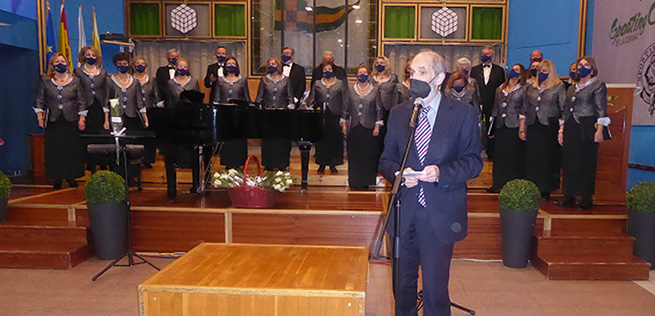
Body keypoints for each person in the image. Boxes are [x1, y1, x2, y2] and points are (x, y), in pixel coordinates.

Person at [378, 50, 482, 316]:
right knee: (402, 287)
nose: (414, 79)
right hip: (404, 212)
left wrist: (440, 172)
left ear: (439, 77)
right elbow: (386, 161)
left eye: (422, 73)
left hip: (440, 212)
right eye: (412, 73)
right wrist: (399, 176)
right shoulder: (400, 113)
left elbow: (473, 162)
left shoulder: (463, 114)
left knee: (436, 291)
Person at [557, 56, 609, 210]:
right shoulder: (572, 87)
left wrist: (600, 130)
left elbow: (601, 108)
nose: (582, 67)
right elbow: (566, 110)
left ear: (592, 69)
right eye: (580, 65)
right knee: (569, 161)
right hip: (571, 125)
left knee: (586, 162)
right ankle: (568, 194)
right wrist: (561, 130)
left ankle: (586, 198)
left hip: (587, 126)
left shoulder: (598, 85)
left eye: (586, 65)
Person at [34, 53, 87, 189]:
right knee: (55, 150)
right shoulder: (45, 81)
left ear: (67, 63)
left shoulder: (75, 81)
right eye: (57, 62)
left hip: (71, 120)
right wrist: (40, 117)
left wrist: (82, 118)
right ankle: (57, 177)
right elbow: (39, 100)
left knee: (71, 149)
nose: (60, 64)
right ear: (52, 65)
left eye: (62, 61)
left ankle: (71, 176)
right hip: (53, 120)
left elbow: (81, 101)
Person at [523, 60, 566, 200]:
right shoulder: (531, 88)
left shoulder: (558, 87)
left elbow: (563, 108)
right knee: (532, 157)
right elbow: (524, 108)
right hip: (533, 125)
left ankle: (545, 188)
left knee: (546, 158)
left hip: (548, 126)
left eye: (545, 71)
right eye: (540, 71)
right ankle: (532, 187)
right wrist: (522, 129)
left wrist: (561, 128)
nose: (541, 73)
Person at [163, 57, 202, 197]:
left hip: (191, 124)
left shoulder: (193, 82)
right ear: (176, 67)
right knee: (172, 154)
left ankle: (196, 184)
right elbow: (168, 102)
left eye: (185, 66)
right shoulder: (170, 83)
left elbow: (198, 102)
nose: (182, 68)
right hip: (175, 123)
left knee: (194, 153)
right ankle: (172, 187)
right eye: (180, 66)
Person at [487, 63, 527, 193]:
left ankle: (512, 184)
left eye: (516, 70)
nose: (513, 72)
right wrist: (491, 125)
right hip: (500, 124)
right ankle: (498, 182)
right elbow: (495, 107)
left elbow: (524, 108)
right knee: (499, 155)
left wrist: (522, 128)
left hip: (514, 124)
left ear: (521, 74)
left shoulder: (523, 89)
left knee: (513, 155)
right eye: (512, 69)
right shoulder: (500, 89)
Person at [342, 65, 383, 190]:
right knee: (355, 155)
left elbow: (379, 109)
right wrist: (343, 124)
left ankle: (367, 180)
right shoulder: (350, 90)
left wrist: (377, 125)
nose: (362, 74)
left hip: (370, 128)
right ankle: (355, 181)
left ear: (368, 74)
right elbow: (345, 108)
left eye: (364, 72)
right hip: (354, 127)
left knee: (368, 155)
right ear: (356, 75)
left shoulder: (375, 90)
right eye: (360, 72)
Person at [306, 61, 346, 173]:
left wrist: (344, 118)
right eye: (325, 70)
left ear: (333, 71)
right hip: (321, 116)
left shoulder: (340, 83)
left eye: (329, 69)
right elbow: (311, 100)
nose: (327, 71)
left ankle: (333, 163)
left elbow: (344, 101)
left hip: (335, 116)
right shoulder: (318, 83)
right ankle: (321, 163)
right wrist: (310, 113)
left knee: (335, 140)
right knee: (321, 141)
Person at [256, 57, 294, 171]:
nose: (270, 65)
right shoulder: (264, 80)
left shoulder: (286, 80)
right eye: (269, 64)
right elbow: (259, 97)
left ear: (278, 66)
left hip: (282, 115)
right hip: (268, 115)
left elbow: (290, 98)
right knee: (269, 141)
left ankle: (282, 164)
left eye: (273, 64)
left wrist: (289, 110)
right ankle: (268, 164)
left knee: (282, 142)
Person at [212, 57, 251, 169]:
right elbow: (217, 98)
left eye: (233, 64)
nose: (230, 66)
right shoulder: (220, 80)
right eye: (228, 64)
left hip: (239, 116)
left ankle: (239, 164)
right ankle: (228, 165)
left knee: (238, 141)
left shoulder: (242, 80)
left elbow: (246, 98)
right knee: (227, 141)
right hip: (225, 115)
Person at [470, 46, 506, 160]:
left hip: (493, 103)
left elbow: (502, 87)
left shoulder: (499, 70)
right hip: (477, 103)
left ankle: (491, 152)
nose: (484, 56)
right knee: (476, 127)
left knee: (492, 127)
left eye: (487, 54)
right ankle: (475, 151)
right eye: (483, 53)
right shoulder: (474, 69)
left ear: (492, 56)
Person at [106, 52, 147, 131]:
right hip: (116, 117)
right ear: (115, 65)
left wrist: (145, 118)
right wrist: (106, 120)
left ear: (128, 64)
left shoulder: (135, 81)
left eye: (125, 63)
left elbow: (140, 102)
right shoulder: (109, 81)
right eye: (120, 63)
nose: (122, 66)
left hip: (132, 116)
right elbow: (106, 101)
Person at [132, 56, 161, 167]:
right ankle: (137, 160)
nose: (140, 65)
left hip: (150, 111)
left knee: (149, 136)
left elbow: (157, 96)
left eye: (142, 63)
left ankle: (148, 159)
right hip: (135, 112)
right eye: (138, 63)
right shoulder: (131, 79)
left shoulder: (152, 80)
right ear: (134, 66)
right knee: (138, 136)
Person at [75, 46, 109, 135]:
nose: (91, 57)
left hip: (99, 107)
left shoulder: (103, 73)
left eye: (93, 55)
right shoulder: (77, 72)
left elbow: (106, 93)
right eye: (88, 55)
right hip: (84, 107)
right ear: (83, 56)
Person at [370, 56, 399, 125]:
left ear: (386, 64)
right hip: (374, 109)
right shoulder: (371, 78)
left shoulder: (393, 78)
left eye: (381, 63)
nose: (379, 64)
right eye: (377, 63)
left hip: (387, 108)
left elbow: (396, 94)